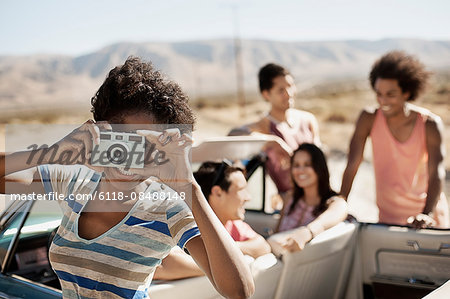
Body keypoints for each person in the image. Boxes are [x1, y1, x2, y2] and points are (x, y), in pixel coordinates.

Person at [0, 57, 254, 298]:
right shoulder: (73, 183)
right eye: (121, 140)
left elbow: (238, 290)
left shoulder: (168, 208)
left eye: (146, 145)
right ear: (99, 132)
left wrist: (189, 186)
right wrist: (52, 153)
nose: (130, 157)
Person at [340, 51, 449, 228]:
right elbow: (353, 162)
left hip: (427, 218)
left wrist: (426, 214)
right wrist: (340, 202)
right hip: (388, 217)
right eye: (378, 93)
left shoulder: (429, 124)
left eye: (390, 94)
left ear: (406, 92)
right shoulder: (369, 118)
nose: (383, 101)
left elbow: (436, 172)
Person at [154, 161, 271, 280]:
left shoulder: (233, 225)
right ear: (218, 193)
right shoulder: (184, 223)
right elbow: (165, 264)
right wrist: (228, 257)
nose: (248, 197)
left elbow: (263, 246)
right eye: (241, 189)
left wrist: (225, 249)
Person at [229, 63, 320, 198]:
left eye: (290, 86)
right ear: (266, 94)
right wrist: (271, 142)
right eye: (281, 90)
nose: (288, 94)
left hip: (319, 193)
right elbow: (233, 135)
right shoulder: (264, 127)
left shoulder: (308, 120)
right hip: (290, 199)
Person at [268, 143, 348, 253]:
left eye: (307, 164)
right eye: (296, 165)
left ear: (319, 168)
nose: (300, 170)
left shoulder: (336, 203)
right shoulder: (289, 198)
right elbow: (277, 233)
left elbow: (323, 222)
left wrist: (306, 233)